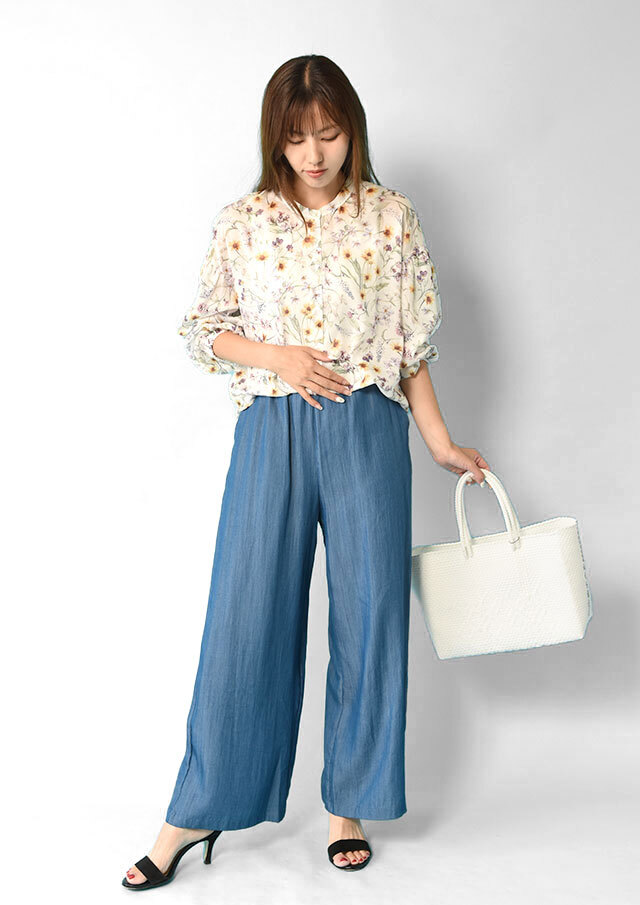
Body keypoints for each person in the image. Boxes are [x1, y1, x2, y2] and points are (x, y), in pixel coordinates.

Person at [122, 53, 489, 889]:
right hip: (272, 428)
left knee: (369, 615)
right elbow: (204, 329)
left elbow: (410, 346)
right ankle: (197, 808)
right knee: (244, 616)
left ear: (352, 129)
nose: (314, 153)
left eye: (328, 133)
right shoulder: (244, 221)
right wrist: (280, 357)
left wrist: (439, 442)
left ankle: (347, 803)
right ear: (275, 140)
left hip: (367, 427)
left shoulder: (391, 217)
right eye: (296, 138)